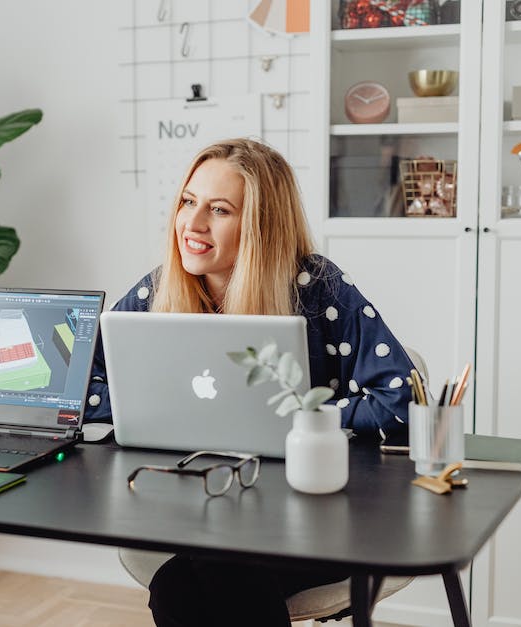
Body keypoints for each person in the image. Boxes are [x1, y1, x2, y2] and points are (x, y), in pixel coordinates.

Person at [84, 138, 414, 626]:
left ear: (261, 224)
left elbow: (398, 399)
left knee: (209, 577)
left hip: (320, 513)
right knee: (181, 583)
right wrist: (153, 406)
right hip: (202, 508)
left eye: (219, 210)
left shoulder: (317, 286)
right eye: (187, 202)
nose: (192, 225)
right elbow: (83, 383)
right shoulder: (160, 288)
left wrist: (293, 418)